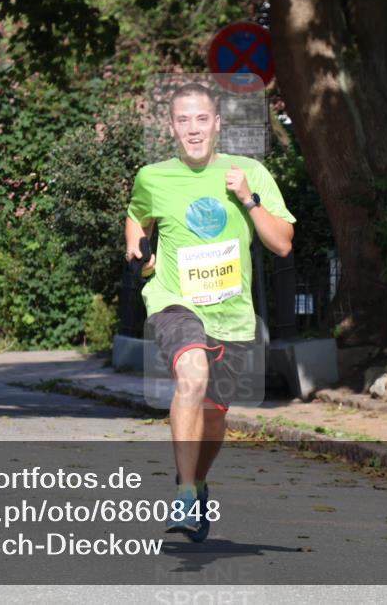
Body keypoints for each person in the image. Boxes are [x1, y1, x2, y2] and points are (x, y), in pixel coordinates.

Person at [124, 82, 295, 542]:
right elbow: (138, 216)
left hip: (231, 314)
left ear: (217, 123)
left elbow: (281, 244)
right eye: (184, 120)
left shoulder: (250, 172)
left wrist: (247, 198)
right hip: (174, 302)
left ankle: (198, 484)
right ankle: (182, 493)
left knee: (215, 414)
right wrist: (136, 251)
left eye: (202, 119)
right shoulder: (153, 176)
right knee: (192, 376)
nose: (194, 129)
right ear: (172, 127)